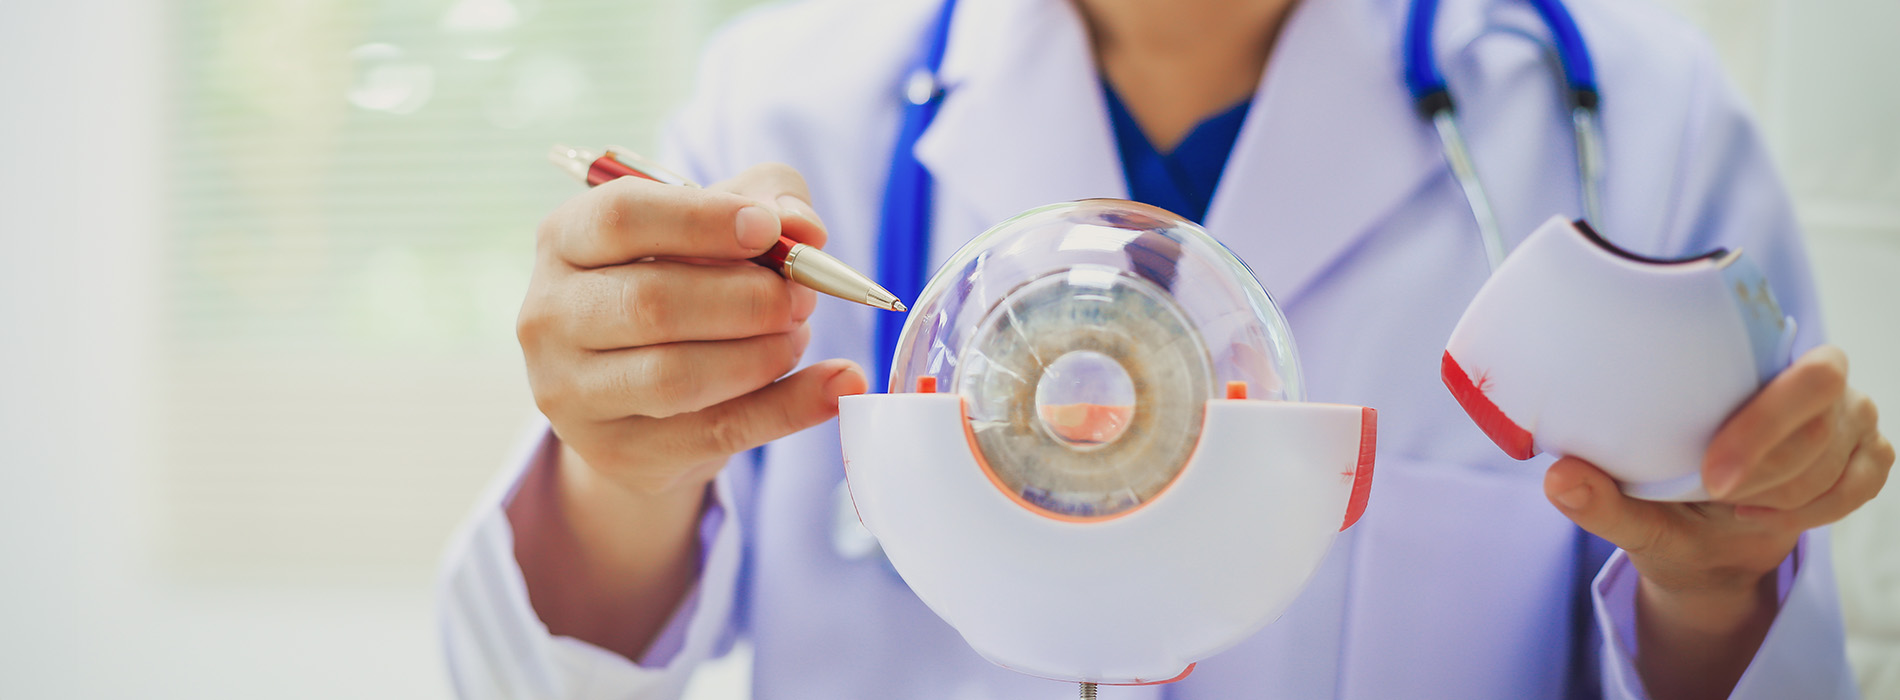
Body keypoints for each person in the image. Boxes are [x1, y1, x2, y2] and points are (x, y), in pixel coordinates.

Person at [438, 0, 1894, 697]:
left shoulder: (1629, 116)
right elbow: (535, 674)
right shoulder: (790, 99)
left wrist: (1713, 587)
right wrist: (627, 454)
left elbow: (1767, 658)